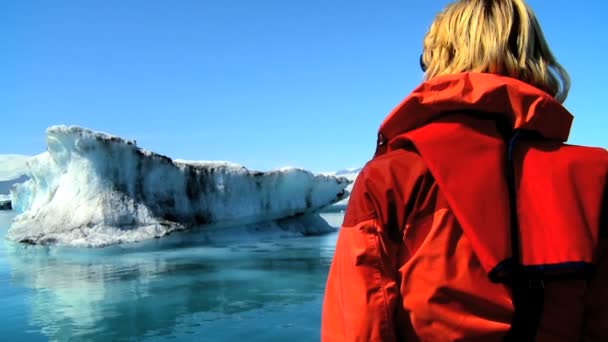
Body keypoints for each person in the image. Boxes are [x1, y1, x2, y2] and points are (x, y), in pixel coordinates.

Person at [321, 0, 608, 341]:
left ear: (442, 57)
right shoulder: (594, 176)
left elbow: (356, 329)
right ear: (535, 55)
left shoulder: (393, 176)